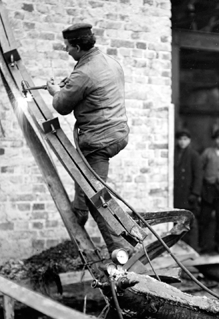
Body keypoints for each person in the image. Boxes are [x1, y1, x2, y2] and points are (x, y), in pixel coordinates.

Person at [46, 23, 130, 253]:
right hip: (118, 134)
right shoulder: (111, 62)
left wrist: (55, 91)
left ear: (79, 47)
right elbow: (98, 92)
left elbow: (62, 106)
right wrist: (72, 85)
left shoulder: (82, 73)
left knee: (96, 197)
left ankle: (121, 250)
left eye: (68, 47)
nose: (66, 51)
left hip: (98, 141)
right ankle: (79, 213)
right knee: (87, 185)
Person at [173, 129, 203, 250]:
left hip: (188, 194)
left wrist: (195, 193)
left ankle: (193, 248)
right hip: (177, 194)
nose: (182, 142)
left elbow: (198, 176)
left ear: (189, 141)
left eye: (185, 139)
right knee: (177, 222)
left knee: (191, 223)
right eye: (180, 139)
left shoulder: (194, 155)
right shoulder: (174, 153)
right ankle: (179, 249)